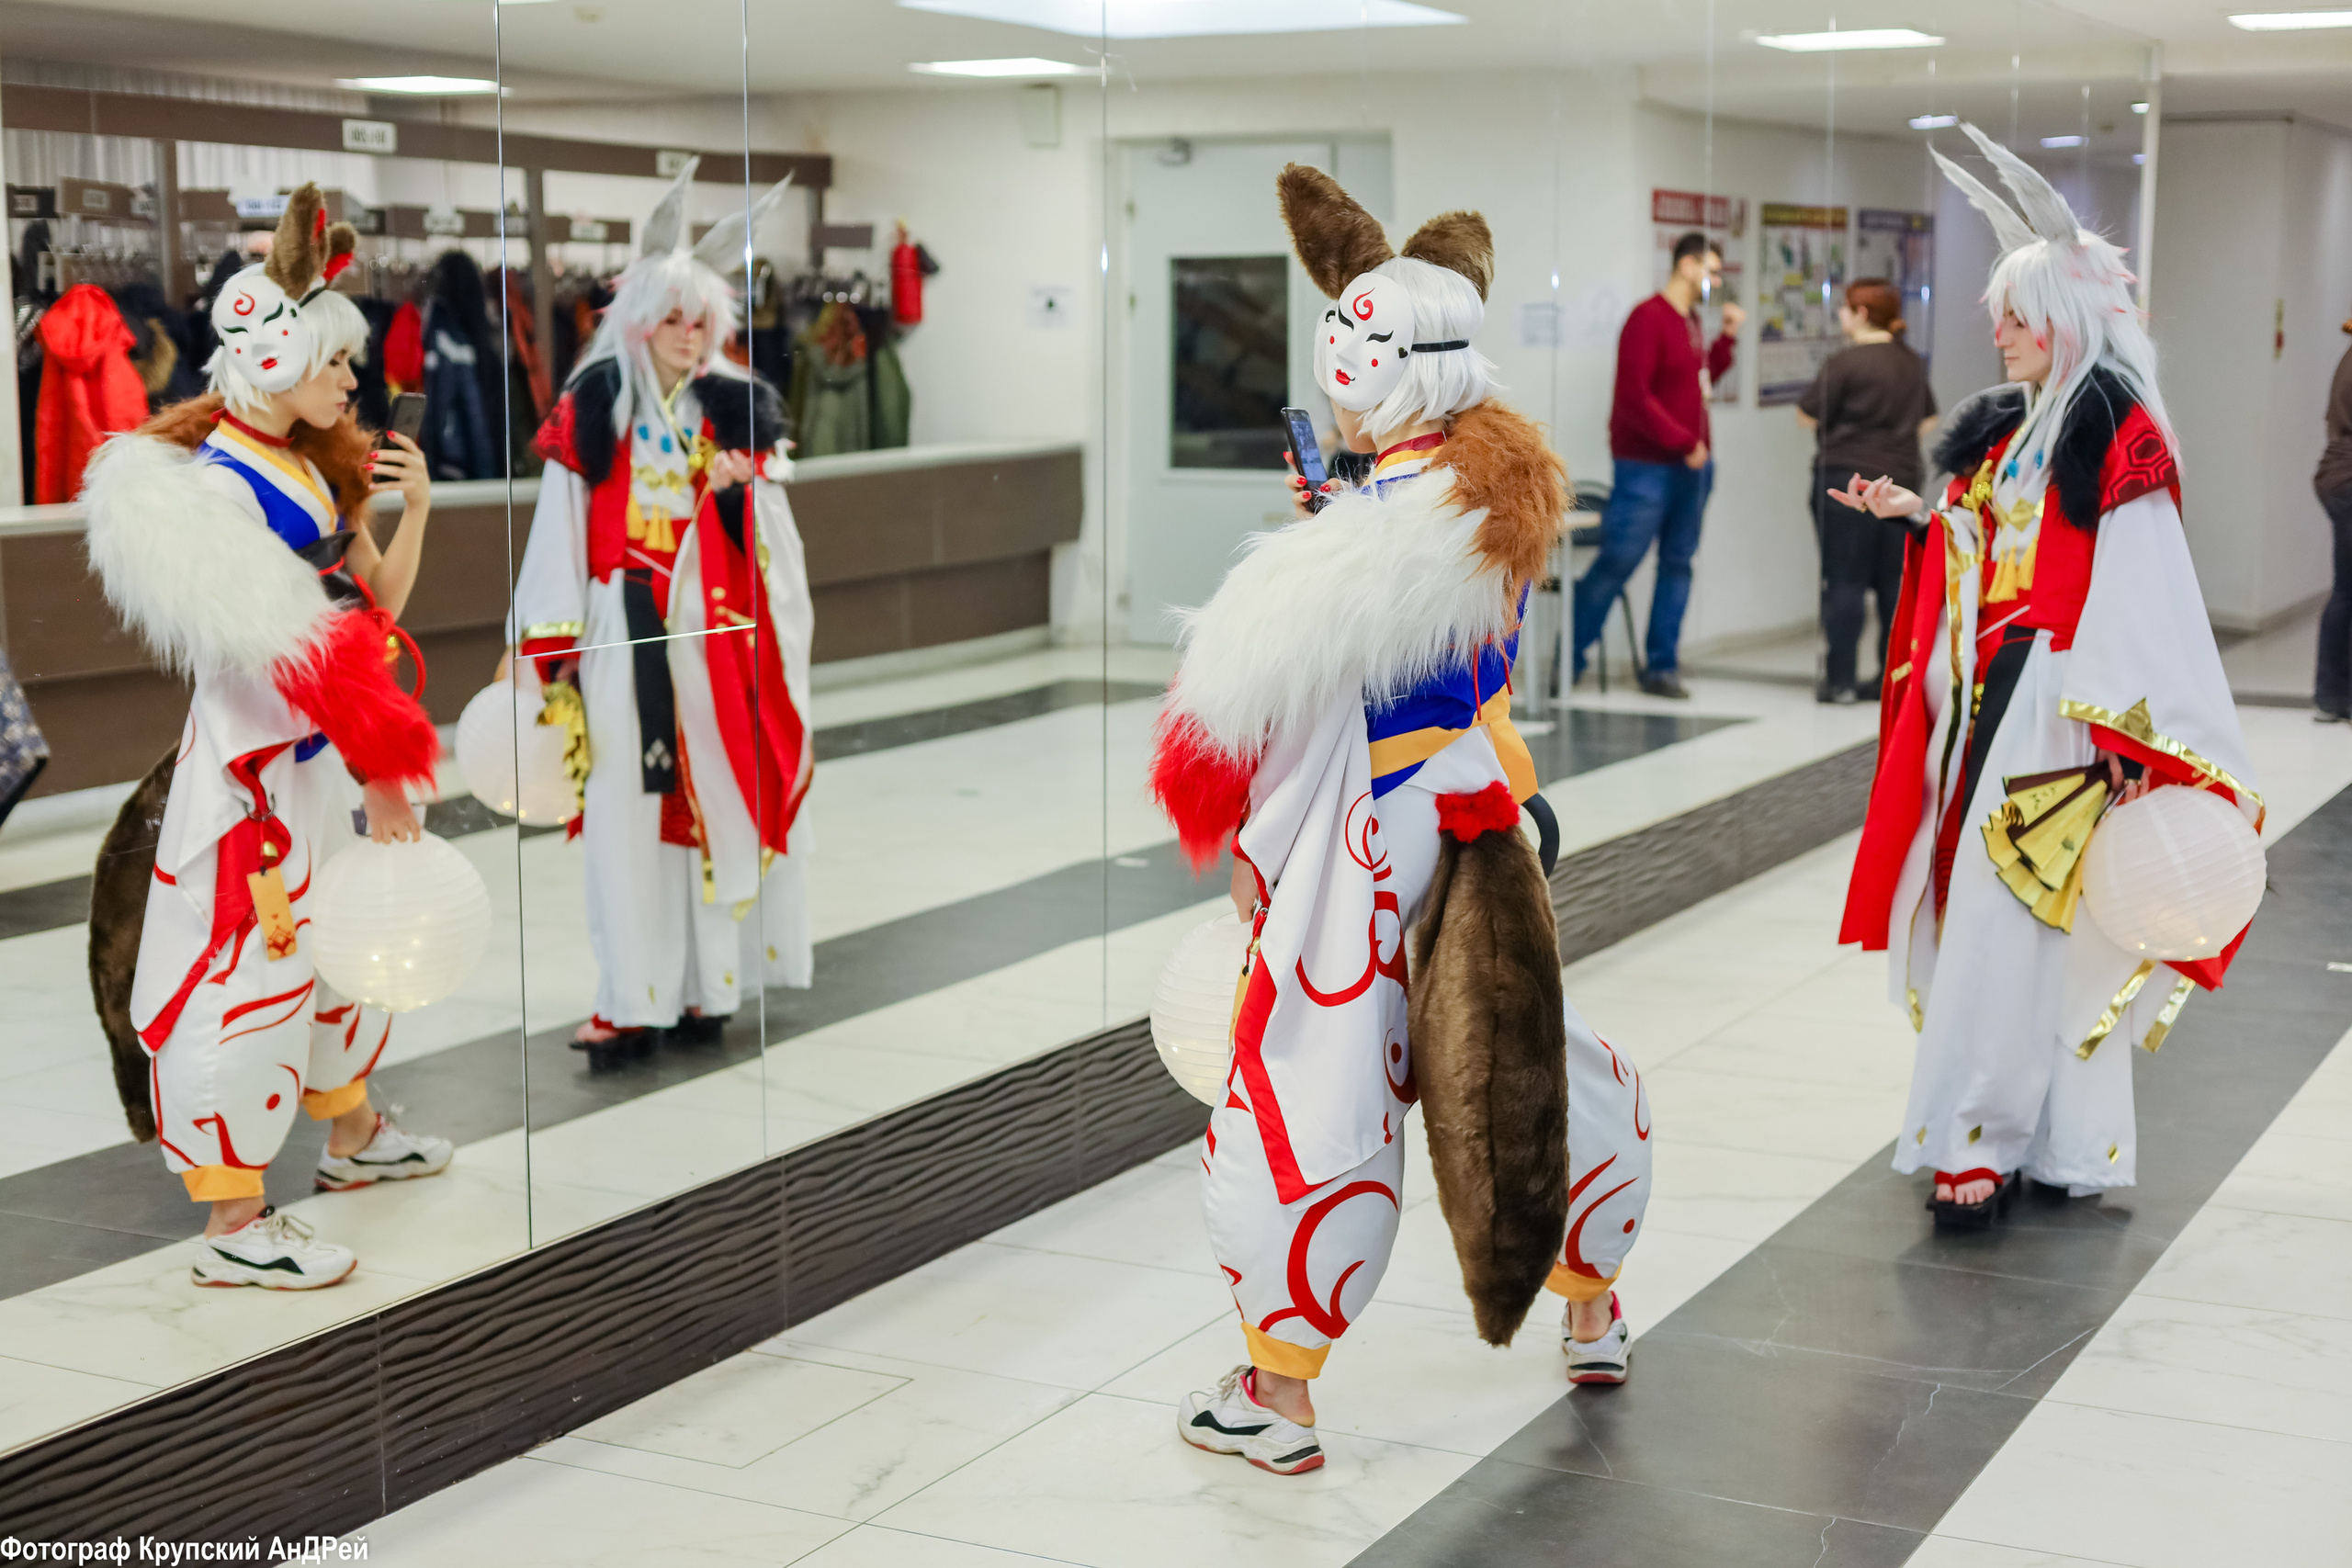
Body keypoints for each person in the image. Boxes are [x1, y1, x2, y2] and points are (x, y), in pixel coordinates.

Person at [1149, 165, 1653, 1477]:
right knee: (1527, 1046)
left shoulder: (1371, 530)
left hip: (1365, 837)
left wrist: (1263, 847)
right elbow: (1468, 672)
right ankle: (1591, 1297)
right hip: (1476, 809)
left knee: (1309, 1082)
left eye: (1349, 354)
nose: (1335, 376)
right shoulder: (1483, 491)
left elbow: (1262, 713)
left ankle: (1278, 1388)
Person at [1835, 125, 2263, 1228]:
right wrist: (1919, 517)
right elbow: (1994, 552)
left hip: (2067, 712)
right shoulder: (2015, 433)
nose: (2002, 331)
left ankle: (2006, 1138)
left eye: (2022, 315)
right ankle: (2015, 1132)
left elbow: (2141, 583)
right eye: (2000, 313)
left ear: (2069, 318)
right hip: (1994, 704)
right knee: (2004, 920)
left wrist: (2125, 738)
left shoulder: (2109, 431)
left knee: (2029, 925)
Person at [82, 186, 453, 1289]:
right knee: (249, 970)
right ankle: (232, 1221)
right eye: (339, 363)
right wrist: (380, 758)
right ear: (279, 354)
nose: (355, 380)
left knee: (339, 950)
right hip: (260, 769)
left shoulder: (304, 462)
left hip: (318, 754)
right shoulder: (211, 492)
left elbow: (371, 604)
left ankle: (350, 1134)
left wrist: (413, 507)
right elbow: (282, 653)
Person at [510, 159, 816, 1054]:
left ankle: (706, 987)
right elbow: (560, 530)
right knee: (625, 813)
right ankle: (631, 993)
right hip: (621, 627)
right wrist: (550, 649)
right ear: (641, 322)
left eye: (699, 320)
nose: (687, 335)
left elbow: (778, 552)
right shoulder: (592, 409)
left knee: (712, 798)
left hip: (711, 644)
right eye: (672, 319)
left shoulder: (738, 414)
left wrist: (733, 496)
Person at [1569, 230, 1746, 698]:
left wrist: (1727, 339)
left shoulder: (1690, 321)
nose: (1714, 281)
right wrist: (1684, 440)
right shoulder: (1647, 319)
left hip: (1690, 468)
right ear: (1687, 265)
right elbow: (1634, 399)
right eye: (1710, 271)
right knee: (1620, 559)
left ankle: (1662, 666)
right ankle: (1568, 659)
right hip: (1647, 467)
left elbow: (1697, 380)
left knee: (1678, 564)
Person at [1796, 278, 1938, 704]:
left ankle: (1839, 680)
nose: (1840, 315)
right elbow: (1928, 421)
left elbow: (1806, 417)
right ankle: (1889, 678)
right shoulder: (1910, 362)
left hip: (1844, 483)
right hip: (1898, 481)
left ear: (1860, 314)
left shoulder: (1845, 363)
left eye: (1844, 308)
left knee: (1844, 580)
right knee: (1893, 583)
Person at [2313, 314, 2352, 723]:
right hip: (2348, 480)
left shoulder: (2347, 357)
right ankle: (2333, 696)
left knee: (2346, 589)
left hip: (2337, 479)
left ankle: (2332, 696)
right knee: (2348, 591)